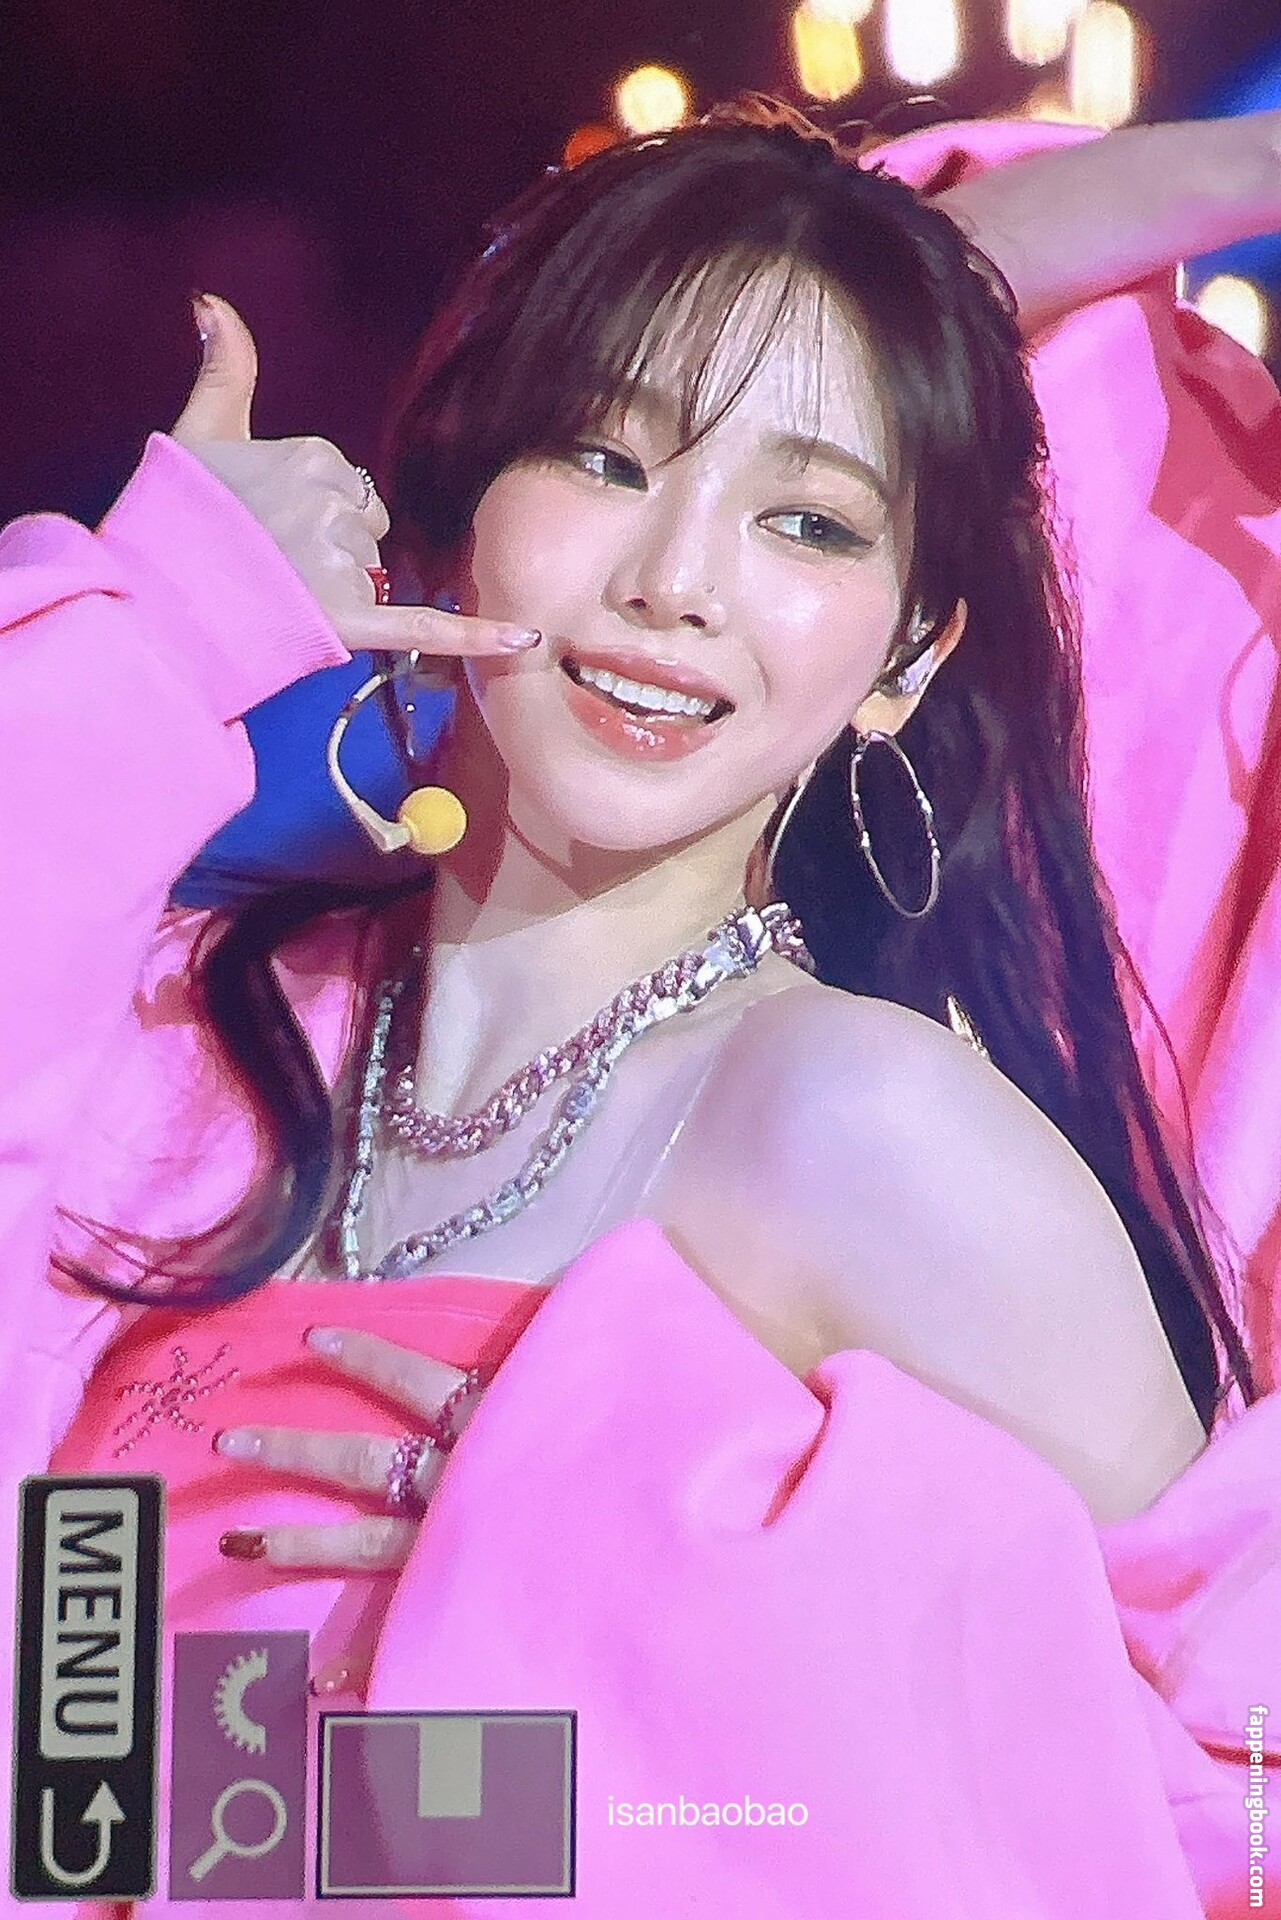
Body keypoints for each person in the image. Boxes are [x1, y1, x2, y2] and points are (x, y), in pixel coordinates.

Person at [2, 95, 1280, 1917]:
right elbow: (85, 1813)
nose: (675, 584)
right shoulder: (185, 1050)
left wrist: (621, 1595)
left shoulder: (859, 1136)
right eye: (604, 458)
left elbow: (1242, 1799)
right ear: (448, 518)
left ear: (904, 661)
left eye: (808, 525)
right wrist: (161, 628)